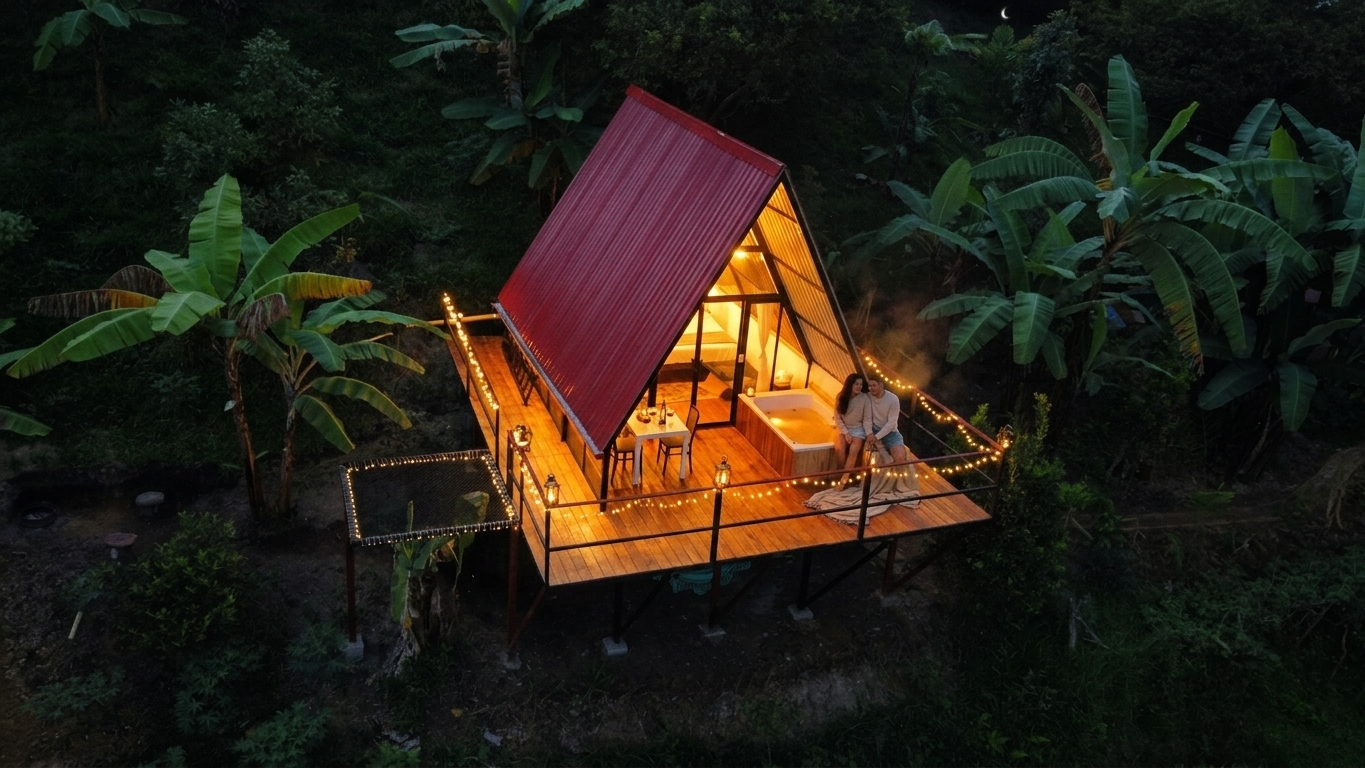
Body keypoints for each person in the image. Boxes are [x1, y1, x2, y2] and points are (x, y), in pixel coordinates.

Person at [832, 373, 871, 483]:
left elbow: (867, 419)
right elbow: (837, 417)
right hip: (843, 427)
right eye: (856, 384)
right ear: (850, 385)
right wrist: (846, 433)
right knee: (841, 450)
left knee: (854, 450)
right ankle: (840, 475)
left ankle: (844, 480)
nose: (859, 386)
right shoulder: (841, 397)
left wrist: (869, 434)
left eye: (860, 384)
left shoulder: (865, 399)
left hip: (858, 429)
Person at [865, 377, 908, 466]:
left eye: (874, 385)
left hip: (890, 432)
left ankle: (896, 478)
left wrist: (877, 437)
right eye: (869, 386)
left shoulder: (893, 399)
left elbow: (892, 423)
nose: (871, 388)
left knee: (900, 459)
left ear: (881, 385)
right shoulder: (867, 397)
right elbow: (867, 419)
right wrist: (869, 433)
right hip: (873, 429)